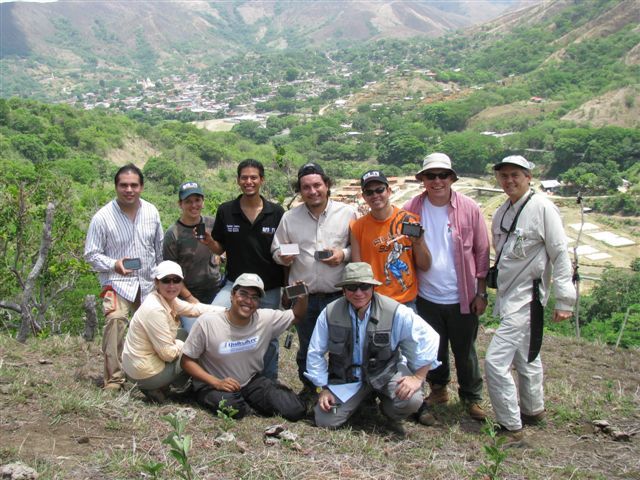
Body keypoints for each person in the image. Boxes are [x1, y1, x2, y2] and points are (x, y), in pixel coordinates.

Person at [485, 155, 576, 445]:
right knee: (526, 355)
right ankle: (533, 410)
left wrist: (564, 300)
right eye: (504, 175)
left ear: (528, 177)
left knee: (495, 361)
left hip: (528, 296)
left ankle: (511, 425)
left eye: (516, 175)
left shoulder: (543, 208)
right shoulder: (502, 212)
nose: (509, 180)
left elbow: (559, 252)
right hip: (509, 294)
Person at [403, 153, 490, 424]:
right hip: (426, 294)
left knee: (465, 351)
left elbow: (482, 251)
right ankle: (439, 390)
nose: (437, 181)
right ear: (422, 180)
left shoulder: (469, 208)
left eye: (443, 175)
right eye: (431, 176)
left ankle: (472, 398)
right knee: (434, 349)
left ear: (452, 178)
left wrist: (482, 291)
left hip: (461, 293)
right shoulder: (411, 209)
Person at [305, 262, 440, 436]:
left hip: (386, 373)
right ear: (344, 290)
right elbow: (315, 353)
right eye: (352, 287)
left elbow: (429, 337)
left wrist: (417, 378)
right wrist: (322, 389)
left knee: (411, 400)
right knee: (325, 419)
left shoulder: (395, 311)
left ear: (373, 287)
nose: (359, 292)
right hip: (346, 380)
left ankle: (389, 409)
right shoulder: (329, 313)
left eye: (364, 286)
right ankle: (360, 402)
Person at [271, 162, 357, 400]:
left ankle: (342, 390)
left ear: (327, 185)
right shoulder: (290, 218)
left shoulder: (347, 213)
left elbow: (355, 247)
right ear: (300, 190)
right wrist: (283, 256)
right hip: (304, 296)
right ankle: (310, 391)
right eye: (305, 187)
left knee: (342, 346)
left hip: (338, 294)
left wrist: (343, 255)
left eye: (317, 185)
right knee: (308, 347)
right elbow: (276, 249)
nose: (312, 191)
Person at [181, 273, 308, 421]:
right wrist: (216, 382)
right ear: (232, 295)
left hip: (250, 382)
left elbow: (297, 315)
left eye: (254, 297)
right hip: (213, 385)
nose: (248, 301)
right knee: (234, 409)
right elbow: (186, 361)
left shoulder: (265, 319)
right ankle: (219, 399)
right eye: (243, 294)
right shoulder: (208, 322)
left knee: (295, 409)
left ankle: (249, 401)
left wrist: (302, 297)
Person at [203, 159, 285, 380]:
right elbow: (221, 246)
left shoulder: (276, 212)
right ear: (238, 180)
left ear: (262, 180)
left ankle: (269, 382)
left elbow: (284, 248)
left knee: (270, 336)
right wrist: (210, 243)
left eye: (253, 177)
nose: (249, 182)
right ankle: (220, 375)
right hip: (235, 285)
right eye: (244, 178)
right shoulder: (226, 211)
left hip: (269, 286)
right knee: (214, 319)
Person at [85, 164, 163, 391]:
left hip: (148, 283)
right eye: (124, 185)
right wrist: (113, 264)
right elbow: (91, 254)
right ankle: (114, 379)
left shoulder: (151, 211)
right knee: (116, 320)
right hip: (117, 284)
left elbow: (158, 249)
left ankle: (149, 378)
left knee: (151, 328)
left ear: (142, 187)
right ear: (116, 186)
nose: (129, 189)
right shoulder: (102, 217)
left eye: (134, 185)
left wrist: (161, 280)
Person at [122, 261, 224, 403]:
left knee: (183, 334)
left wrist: (226, 311)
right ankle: (160, 386)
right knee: (193, 346)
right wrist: (182, 345)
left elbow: (194, 309)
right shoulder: (155, 310)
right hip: (144, 374)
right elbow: (168, 355)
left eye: (176, 280)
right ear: (157, 283)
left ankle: (163, 387)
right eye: (166, 281)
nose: (172, 285)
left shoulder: (165, 299)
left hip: (137, 366)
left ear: (182, 283)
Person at [351, 169, 431, 309]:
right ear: (364, 197)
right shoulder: (357, 227)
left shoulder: (409, 221)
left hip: (406, 301)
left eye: (379, 190)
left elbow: (425, 266)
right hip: (374, 302)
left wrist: (418, 243)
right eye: (369, 192)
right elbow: (358, 271)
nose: (375, 195)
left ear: (388, 191)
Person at [163, 181, 222, 332]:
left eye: (197, 200)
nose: (193, 205)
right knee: (195, 335)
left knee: (218, 333)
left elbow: (223, 248)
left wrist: (217, 252)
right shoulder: (173, 233)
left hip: (215, 290)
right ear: (180, 204)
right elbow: (171, 274)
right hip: (187, 296)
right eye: (188, 201)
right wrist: (189, 298)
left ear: (203, 202)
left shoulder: (212, 223)